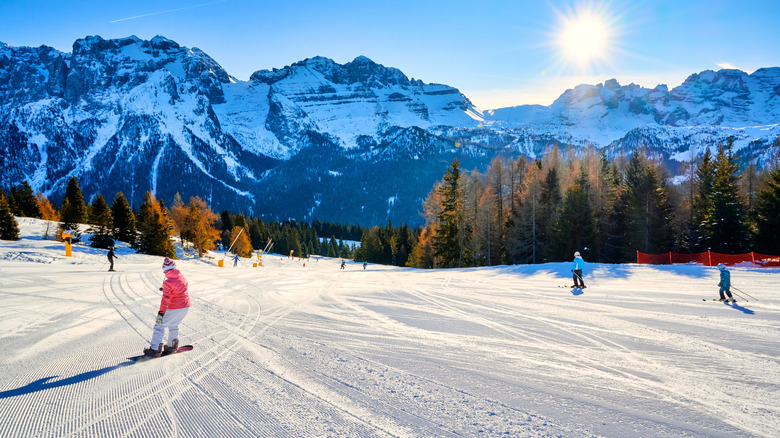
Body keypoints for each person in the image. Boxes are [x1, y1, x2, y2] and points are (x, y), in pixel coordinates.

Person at [143, 257, 191, 357]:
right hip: (185, 306)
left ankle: (155, 350)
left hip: (174, 307)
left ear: (165, 270)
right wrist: (166, 289)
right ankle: (171, 346)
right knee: (174, 325)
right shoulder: (182, 277)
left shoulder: (168, 282)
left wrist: (161, 313)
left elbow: (165, 299)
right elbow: (180, 287)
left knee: (159, 326)